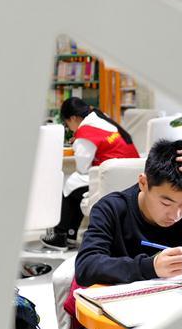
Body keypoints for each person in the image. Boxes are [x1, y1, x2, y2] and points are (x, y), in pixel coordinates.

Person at [65, 138, 182, 329]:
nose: (175, 214)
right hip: (119, 322)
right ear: (143, 183)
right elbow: (86, 267)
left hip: (175, 319)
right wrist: (150, 267)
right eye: (165, 202)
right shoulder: (112, 209)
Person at [40, 97, 140, 250]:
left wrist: (77, 145)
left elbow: (82, 167)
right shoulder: (101, 118)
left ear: (73, 118)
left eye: (67, 123)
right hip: (130, 176)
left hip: (113, 178)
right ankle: (70, 235)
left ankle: (61, 235)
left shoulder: (86, 132)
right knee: (75, 184)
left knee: (70, 183)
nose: (69, 128)